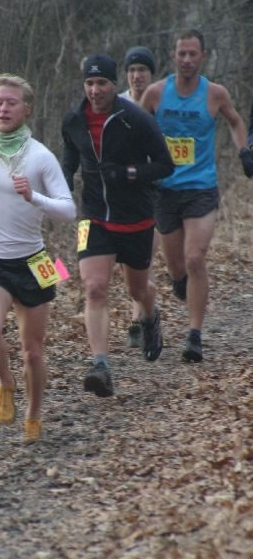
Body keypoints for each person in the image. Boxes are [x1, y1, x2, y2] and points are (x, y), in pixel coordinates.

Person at [0, 73, 76, 441]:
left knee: (32, 353)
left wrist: (34, 198)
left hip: (35, 262)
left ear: (27, 109)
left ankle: (34, 415)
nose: (4, 108)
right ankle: (6, 383)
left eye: (11, 102)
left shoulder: (41, 158)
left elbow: (68, 210)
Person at [62, 54, 174, 397]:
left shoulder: (135, 119)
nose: (95, 90)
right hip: (93, 217)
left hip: (136, 218)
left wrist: (130, 173)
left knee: (137, 291)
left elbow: (165, 166)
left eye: (102, 83)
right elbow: (69, 158)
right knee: (94, 287)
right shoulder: (73, 120)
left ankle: (150, 318)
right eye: (90, 83)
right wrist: (61, 186)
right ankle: (100, 365)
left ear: (114, 85)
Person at [141, 29, 252, 362]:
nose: (187, 60)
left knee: (194, 258)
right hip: (165, 190)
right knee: (176, 266)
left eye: (193, 54)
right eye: (181, 54)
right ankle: (182, 285)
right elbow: (134, 124)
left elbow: (234, 122)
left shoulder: (215, 94)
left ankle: (194, 335)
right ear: (173, 56)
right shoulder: (156, 93)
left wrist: (244, 150)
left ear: (203, 56)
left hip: (201, 187)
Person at [120, 46, 159, 347]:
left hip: (155, 192)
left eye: (142, 70)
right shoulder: (116, 103)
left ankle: (138, 320)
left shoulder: (162, 103)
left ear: (151, 74)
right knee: (126, 266)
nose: (137, 75)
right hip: (121, 194)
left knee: (142, 261)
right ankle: (145, 312)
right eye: (132, 70)